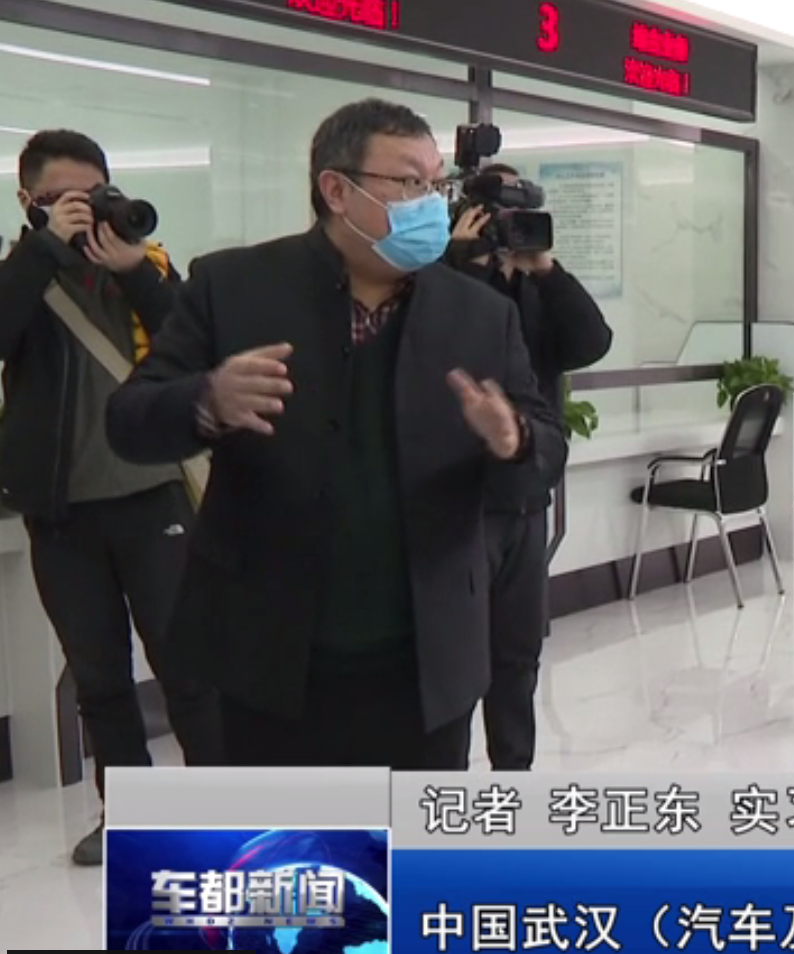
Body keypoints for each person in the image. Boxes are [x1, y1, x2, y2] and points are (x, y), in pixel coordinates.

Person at [105, 98, 567, 771]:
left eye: (436, 184)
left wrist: (514, 438)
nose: (429, 204)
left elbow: (546, 446)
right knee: (287, 836)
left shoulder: (479, 313)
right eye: (408, 182)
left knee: (411, 835)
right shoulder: (232, 287)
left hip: (426, 662)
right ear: (336, 190)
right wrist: (205, 400)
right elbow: (129, 422)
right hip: (265, 658)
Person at [0, 129, 221, 865]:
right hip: (62, 512)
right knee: (98, 678)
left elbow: (194, 348)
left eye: (94, 193)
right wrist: (43, 251)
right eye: (63, 198)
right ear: (28, 202)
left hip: (154, 497)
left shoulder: (144, 264)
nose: (85, 209)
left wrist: (134, 270)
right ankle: (129, 818)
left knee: (189, 667)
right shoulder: (21, 274)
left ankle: (226, 810)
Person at [447, 164, 613, 771]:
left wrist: (545, 268)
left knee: (518, 654)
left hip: (526, 493)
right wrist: (461, 265)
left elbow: (592, 342)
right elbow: (446, 348)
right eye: (500, 217)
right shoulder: (443, 282)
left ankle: (513, 778)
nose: (508, 230)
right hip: (463, 499)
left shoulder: (538, 289)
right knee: (455, 658)